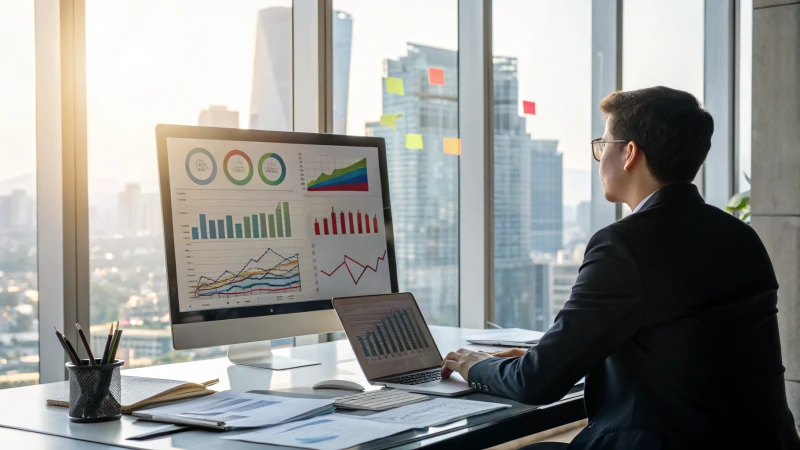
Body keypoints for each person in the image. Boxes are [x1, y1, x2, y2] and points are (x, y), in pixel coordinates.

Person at [441, 86, 800, 449]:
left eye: (603, 144)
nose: (599, 158)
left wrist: (475, 365)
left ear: (629, 153)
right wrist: (547, 358)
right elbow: (687, 353)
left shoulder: (624, 245)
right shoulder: (739, 235)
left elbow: (534, 384)